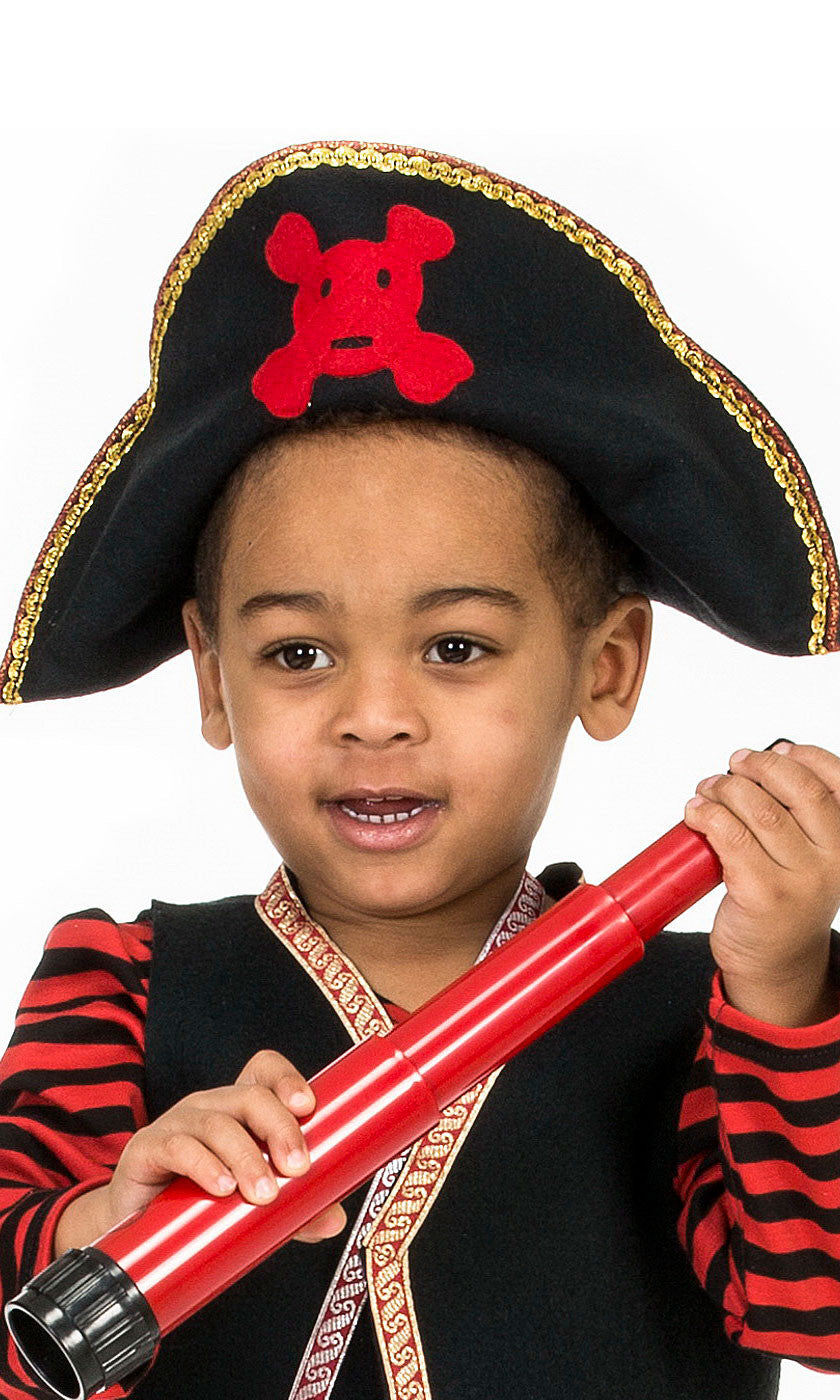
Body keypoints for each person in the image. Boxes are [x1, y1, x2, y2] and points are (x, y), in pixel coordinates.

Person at [0, 138, 839, 1400]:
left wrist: (784, 983)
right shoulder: (120, 979)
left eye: (457, 646)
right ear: (212, 676)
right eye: (297, 650)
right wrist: (97, 1226)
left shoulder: (715, 1013)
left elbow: (820, 1307)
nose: (374, 713)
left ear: (605, 668)